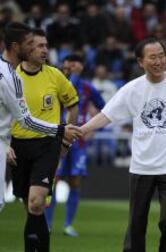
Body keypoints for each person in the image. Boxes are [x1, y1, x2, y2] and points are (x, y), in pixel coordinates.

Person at [79, 37, 166, 252]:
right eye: (153, 57)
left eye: (162, 56)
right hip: (141, 166)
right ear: (140, 62)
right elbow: (106, 115)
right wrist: (82, 130)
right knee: (136, 223)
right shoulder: (132, 89)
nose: (159, 61)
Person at [6, 28, 80, 252]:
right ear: (25, 48)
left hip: (47, 145)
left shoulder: (54, 75)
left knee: (37, 201)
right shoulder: (10, 77)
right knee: (30, 208)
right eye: (39, 46)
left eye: (46, 46)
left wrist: (66, 141)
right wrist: (5, 145)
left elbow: (73, 104)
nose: (44, 50)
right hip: (18, 146)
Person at [45, 54, 105, 237]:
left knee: (75, 181)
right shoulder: (54, 82)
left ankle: (68, 225)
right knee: (52, 181)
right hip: (56, 138)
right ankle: (46, 224)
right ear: (63, 65)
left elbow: (104, 108)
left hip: (78, 141)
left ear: (82, 66)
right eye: (68, 62)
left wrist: (94, 128)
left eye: (76, 62)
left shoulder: (87, 88)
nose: (72, 64)